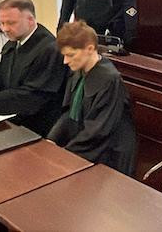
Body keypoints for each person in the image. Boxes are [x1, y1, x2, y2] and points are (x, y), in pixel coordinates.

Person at [0, 0, 67, 136]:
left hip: (36, 125)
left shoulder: (50, 49)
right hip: (13, 116)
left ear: (30, 20)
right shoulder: (14, 42)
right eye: (2, 23)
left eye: (11, 23)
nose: (5, 29)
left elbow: (36, 94)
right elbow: (8, 72)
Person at [48, 20, 137, 176]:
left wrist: (67, 153)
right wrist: (51, 140)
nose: (65, 61)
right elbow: (69, 113)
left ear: (89, 49)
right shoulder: (78, 71)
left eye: (70, 55)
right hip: (86, 144)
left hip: (109, 153)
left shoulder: (109, 79)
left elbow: (99, 129)